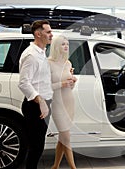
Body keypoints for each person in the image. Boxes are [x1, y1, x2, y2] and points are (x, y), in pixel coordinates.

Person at [18, 20, 53, 169]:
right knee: (35, 147)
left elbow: (40, 79)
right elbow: (24, 83)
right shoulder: (31, 55)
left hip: (43, 104)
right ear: (38, 34)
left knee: (38, 146)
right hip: (36, 106)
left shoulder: (41, 53)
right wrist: (41, 101)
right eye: (48, 32)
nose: (52, 35)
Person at [48, 35, 77, 169]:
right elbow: (46, 87)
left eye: (67, 44)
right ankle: (73, 168)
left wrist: (72, 82)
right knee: (67, 138)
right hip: (57, 104)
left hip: (69, 102)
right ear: (56, 46)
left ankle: (55, 166)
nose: (66, 46)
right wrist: (62, 83)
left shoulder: (68, 63)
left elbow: (70, 86)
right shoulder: (48, 63)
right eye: (62, 44)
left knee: (62, 138)